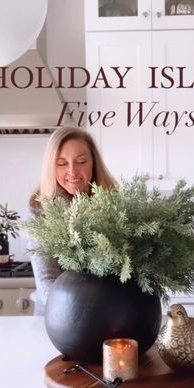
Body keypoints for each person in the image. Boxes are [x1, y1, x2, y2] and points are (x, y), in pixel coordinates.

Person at [27, 126, 116, 314]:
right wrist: (79, 312)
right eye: (61, 163)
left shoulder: (112, 202)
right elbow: (46, 278)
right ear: (51, 166)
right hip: (56, 315)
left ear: (93, 163)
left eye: (81, 161)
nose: (72, 171)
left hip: (106, 312)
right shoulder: (39, 209)